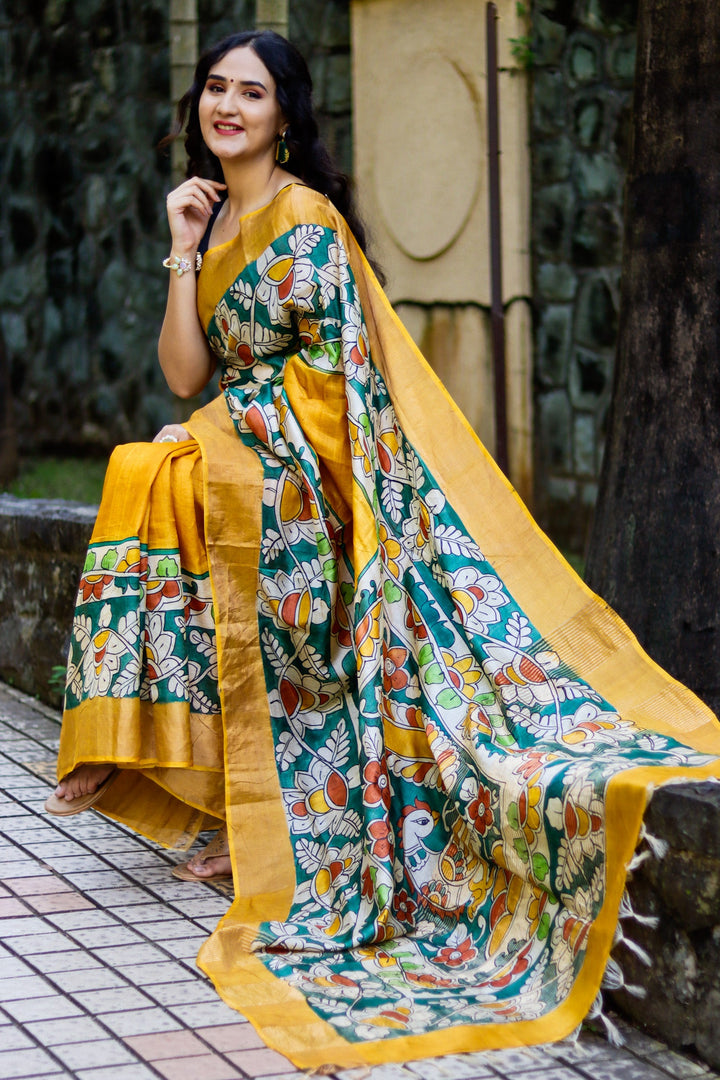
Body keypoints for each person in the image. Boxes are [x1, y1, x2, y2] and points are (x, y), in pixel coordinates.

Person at [45, 29, 720, 1071]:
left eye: (251, 93)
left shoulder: (305, 219)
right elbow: (189, 373)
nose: (228, 106)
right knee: (149, 467)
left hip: (314, 481)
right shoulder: (218, 218)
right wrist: (181, 245)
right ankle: (209, 790)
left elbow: (334, 389)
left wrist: (225, 431)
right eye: (215, 89)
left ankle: (198, 782)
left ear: (285, 115)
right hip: (253, 462)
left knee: (163, 472)